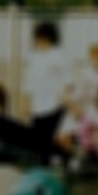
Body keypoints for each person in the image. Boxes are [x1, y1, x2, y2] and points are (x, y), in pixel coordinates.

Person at [23, 22, 72, 164]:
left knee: (49, 140)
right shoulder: (34, 57)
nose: (38, 41)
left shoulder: (58, 56)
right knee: (38, 143)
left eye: (41, 38)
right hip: (38, 105)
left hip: (54, 104)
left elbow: (68, 80)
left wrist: (67, 99)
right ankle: (52, 163)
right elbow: (29, 81)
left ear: (48, 38)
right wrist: (26, 103)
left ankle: (64, 157)